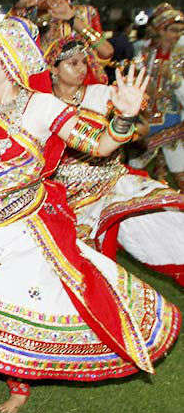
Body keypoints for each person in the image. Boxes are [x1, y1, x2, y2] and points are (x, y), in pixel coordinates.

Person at [0, 18, 178, 413]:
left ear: (11, 64)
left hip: (23, 221)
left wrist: (123, 116)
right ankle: (19, 382)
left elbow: (101, 144)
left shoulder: (42, 107)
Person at [46, 37, 184, 286]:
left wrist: (116, 129)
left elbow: (141, 128)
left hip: (112, 182)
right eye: (72, 63)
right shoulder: (42, 104)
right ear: (53, 69)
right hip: (68, 196)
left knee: (164, 226)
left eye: (83, 63)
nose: (81, 69)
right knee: (79, 266)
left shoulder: (101, 94)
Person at [127, 4, 184, 188]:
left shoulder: (181, 55)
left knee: (180, 174)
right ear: (160, 29)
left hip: (173, 122)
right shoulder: (143, 51)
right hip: (145, 121)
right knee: (135, 176)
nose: (178, 35)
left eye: (181, 31)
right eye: (173, 30)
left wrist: (173, 78)